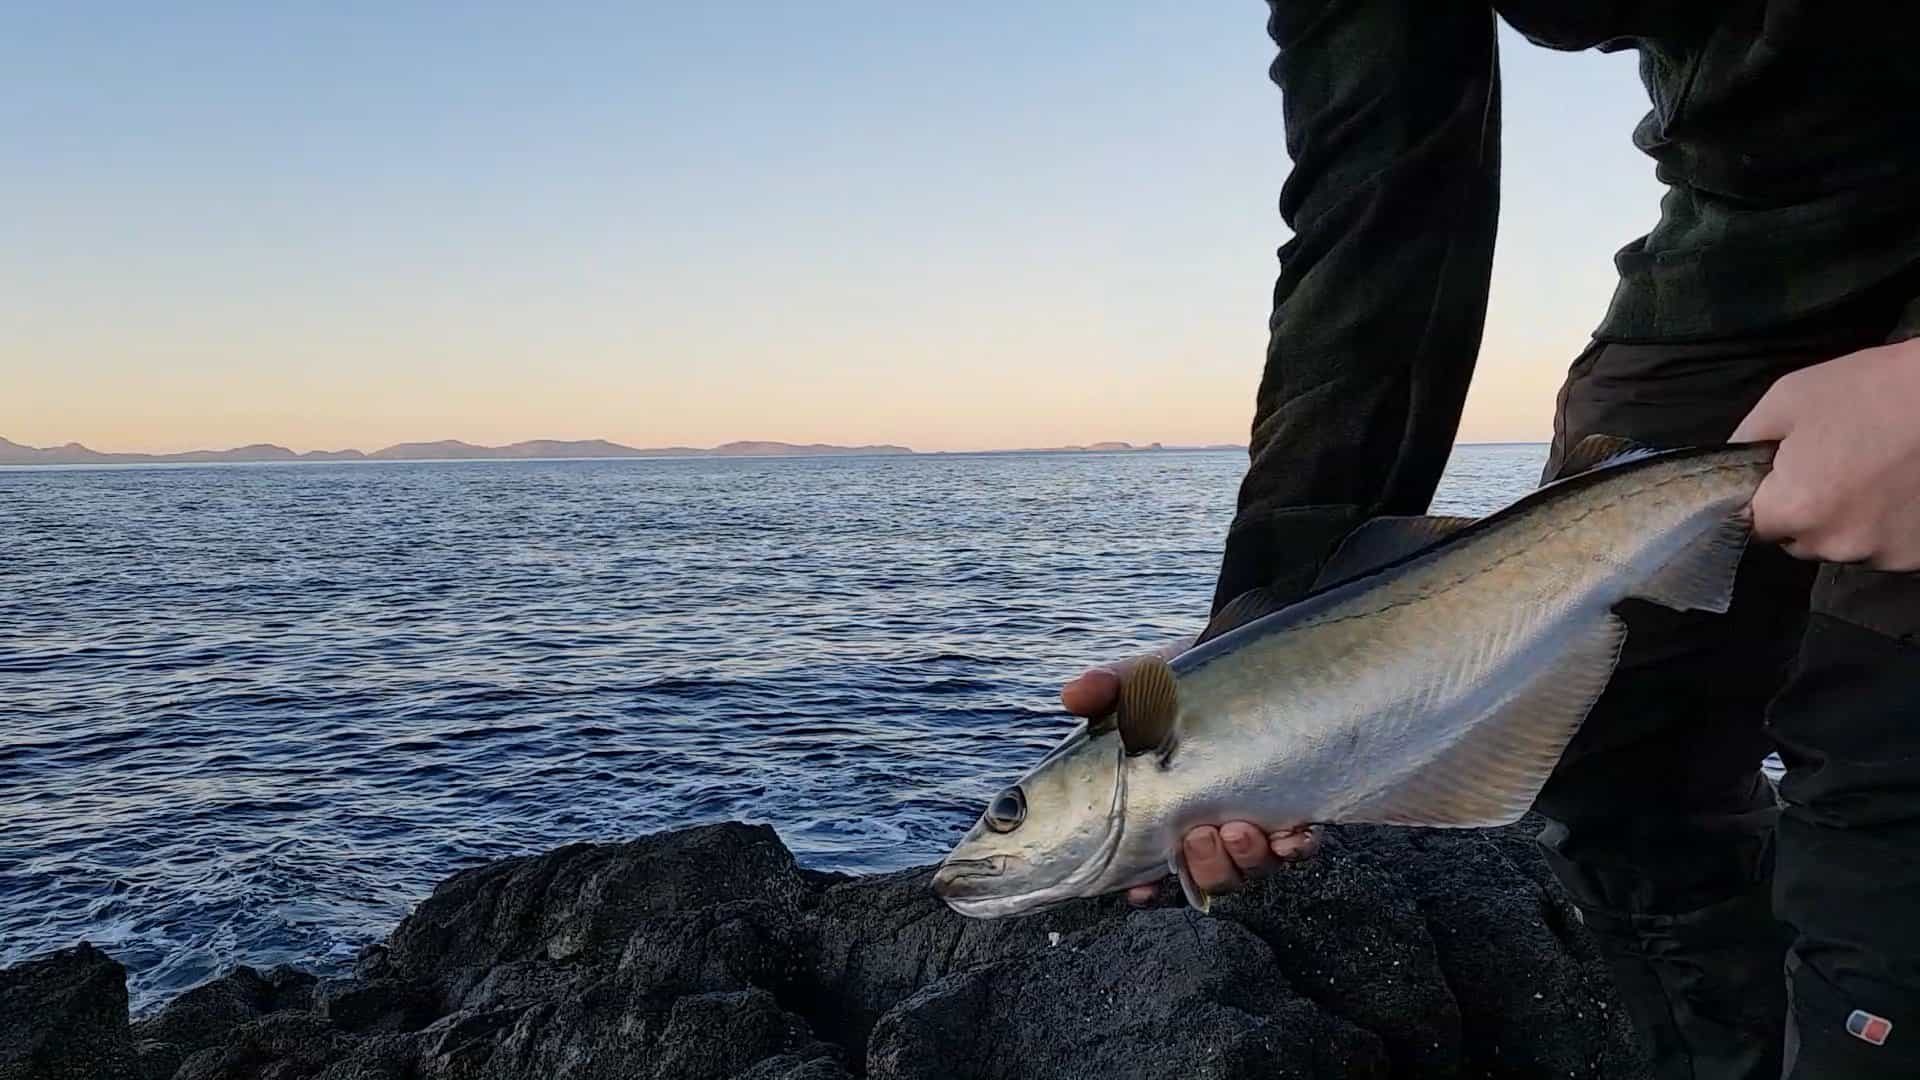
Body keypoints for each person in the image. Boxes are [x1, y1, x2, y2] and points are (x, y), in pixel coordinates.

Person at [1060, 4, 1920, 1078]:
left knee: (1885, 719)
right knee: (1615, 737)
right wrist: (1269, 634)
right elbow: (1383, 202)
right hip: (1756, 237)